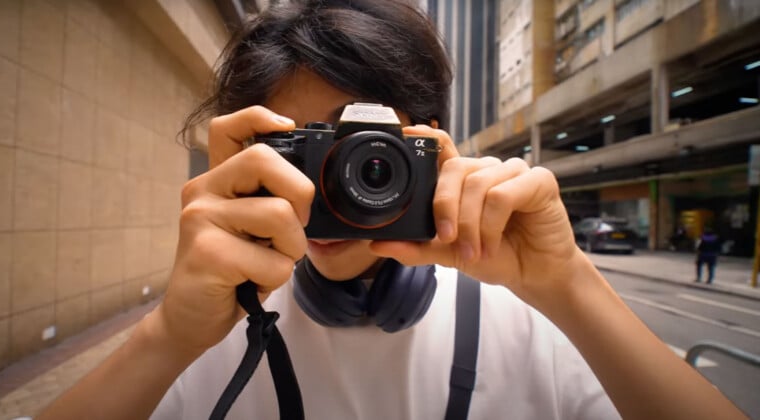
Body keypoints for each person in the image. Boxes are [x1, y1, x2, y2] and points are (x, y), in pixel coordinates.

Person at [38, 1, 746, 419]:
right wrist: (164, 334)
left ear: (431, 150)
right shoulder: (209, 334)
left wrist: (569, 285)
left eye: (367, 157)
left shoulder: (526, 323)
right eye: (300, 154)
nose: (333, 190)